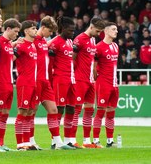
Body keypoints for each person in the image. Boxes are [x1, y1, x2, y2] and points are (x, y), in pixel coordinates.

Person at [33, 15, 73, 150]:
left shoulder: (44, 42)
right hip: (36, 81)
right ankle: (29, 141)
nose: (51, 34)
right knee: (31, 111)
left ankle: (57, 142)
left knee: (54, 110)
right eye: (50, 31)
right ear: (43, 27)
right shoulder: (33, 41)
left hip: (46, 82)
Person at [72, 17, 105, 148]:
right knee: (76, 110)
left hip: (90, 80)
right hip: (80, 79)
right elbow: (72, 60)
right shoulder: (79, 39)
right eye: (97, 31)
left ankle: (86, 140)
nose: (98, 34)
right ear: (91, 26)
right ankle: (71, 139)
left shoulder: (92, 39)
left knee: (89, 110)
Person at [48, 16, 76, 149]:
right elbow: (50, 65)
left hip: (71, 79)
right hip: (60, 79)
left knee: (71, 108)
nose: (73, 33)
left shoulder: (70, 42)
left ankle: (68, 139)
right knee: (59, 108)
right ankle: (55, 141)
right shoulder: (54, 43)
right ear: (63, 29)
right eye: (70, 31)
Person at [0, 18, 21, 151]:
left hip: (9, 82)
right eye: (15, 31)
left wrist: (15, 45)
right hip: (0, 82)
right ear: (8, 29)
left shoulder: (8, 44)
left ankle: (1, 142)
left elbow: (9, 59)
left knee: (5, 113)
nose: (17, 34)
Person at [92, 22, 119, 147]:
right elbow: (94, 66)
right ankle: (96, 140)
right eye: (114, 29)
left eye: (116, 29)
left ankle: (110, 140)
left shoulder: (115, 46)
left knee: (111, 113)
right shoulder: (98, 47)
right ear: (106, 31)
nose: (116, 31)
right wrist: (97, 79)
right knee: (101, 111)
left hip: (114, 84)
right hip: (103, 84)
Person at [14, 20, 38, 150]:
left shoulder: (32, 45)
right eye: (33, 28)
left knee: (30, 111)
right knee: (22, 111)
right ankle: (20, 143)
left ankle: (27, 141)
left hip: (33, 83)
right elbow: (9, 58)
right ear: (26, 31)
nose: (35, 30)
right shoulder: (21, 45)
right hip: (24, 82)